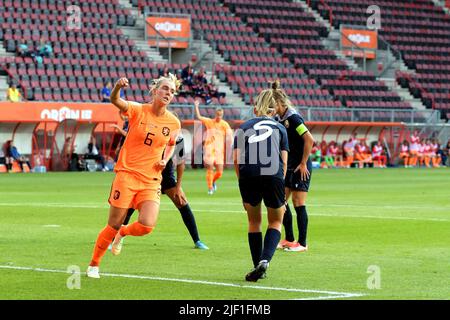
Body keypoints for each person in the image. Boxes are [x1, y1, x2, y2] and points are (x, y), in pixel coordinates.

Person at [86, 74, 181, 279]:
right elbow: (115, 101)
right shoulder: (138, 110)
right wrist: (117, 87)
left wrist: (165, 159)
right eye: (165, 89)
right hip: (127, 175)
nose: (168, 93)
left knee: (147, 225)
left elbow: (171, 145)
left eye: (172, 91)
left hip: (151, 179)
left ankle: (124, 233)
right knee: (113, 224)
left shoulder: (173, 122)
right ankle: (94, 264)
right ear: (155, 90)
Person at [111, 122, 209, 251]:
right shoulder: (155, 135)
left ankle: (197, 240)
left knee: (182, 203)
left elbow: (181, 164)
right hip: (147, 176)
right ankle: (116, 238)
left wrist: (178, 187)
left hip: (166, 177)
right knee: (130, 207)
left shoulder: (178, 139)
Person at [233, 85, 289, 282]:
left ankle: (256, 264)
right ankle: (265, 260)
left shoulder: (243, 127)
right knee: (275, 221)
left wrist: (243, 187)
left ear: (255, 109)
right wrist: (281, 190)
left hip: (248, 174)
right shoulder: (280, 128)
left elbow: (237, 160)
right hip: (273, 173)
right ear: (273, 110)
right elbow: (283, 162)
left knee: (253, 221)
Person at [273, 80, 314, 252]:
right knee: (282, 201)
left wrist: (303, 163)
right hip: (289, 165)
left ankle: (302, 243)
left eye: (271, 105)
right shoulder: (280, 119)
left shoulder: (294, 118)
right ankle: (289, 238)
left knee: (298, 202)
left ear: (279, 103)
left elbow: (309, 139)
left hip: (301, 166)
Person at [194, 100, 232, 195]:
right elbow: (199, 117)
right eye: (218, 114)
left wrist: (231, 144)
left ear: (222, 115)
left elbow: (230, 136)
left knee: (219, 172)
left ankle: (213, 181)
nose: (219, 116)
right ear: (215, 114)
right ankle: (210, 188)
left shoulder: (224, 124)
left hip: (219, 151)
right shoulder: (209, 122)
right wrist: (196, 106)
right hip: (209, 149)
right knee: (210, 169)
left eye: (221, 115)